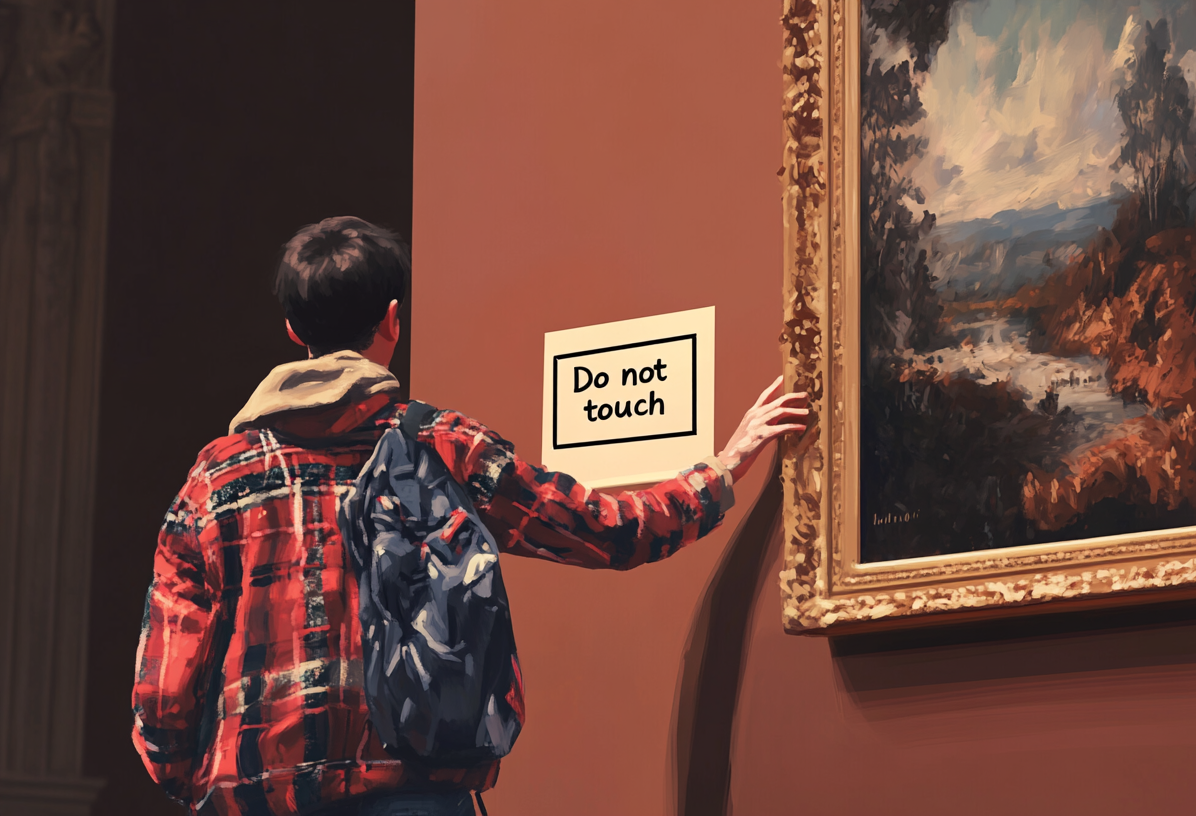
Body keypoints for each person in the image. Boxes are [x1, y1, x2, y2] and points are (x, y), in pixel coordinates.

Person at [131, 216, 806, 816]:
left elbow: (164, 689)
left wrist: (200, 780)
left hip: (254, 793)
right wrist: (722, 467)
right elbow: (605, 527)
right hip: (415, 788)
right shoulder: (440, 444)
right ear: (393, 319)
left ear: (293, 330)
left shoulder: (216, 477)